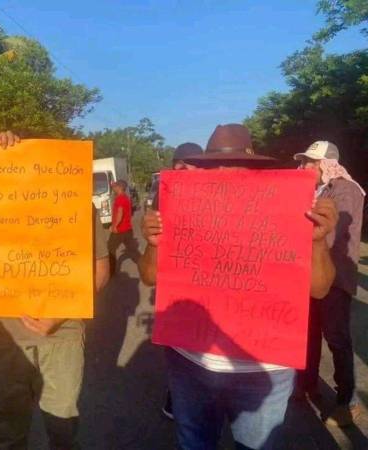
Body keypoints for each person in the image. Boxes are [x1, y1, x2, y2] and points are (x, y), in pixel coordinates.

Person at [138, 124, 338, 449]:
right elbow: (149, 276)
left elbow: (319, 289)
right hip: (190, 363)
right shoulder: (180, 206)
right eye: (213, 165)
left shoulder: (292, 209)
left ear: (255, 166)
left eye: (233, 165)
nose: (224, 172)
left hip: (263, 371)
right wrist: (153, 243)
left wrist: (318, 244)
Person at [0, 131, 111, 449]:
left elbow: (100, 271)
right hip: (4, 336)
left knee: (62, 427)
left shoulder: (76, 203)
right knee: (8, 428)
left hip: (61, 336)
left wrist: (61, 315)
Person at [294, 141, 365, 426]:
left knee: (336, 339)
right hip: (312, 273)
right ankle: (307, 385)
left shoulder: (345, 189)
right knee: (308, 333)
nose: (304, 167)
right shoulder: (318, 189)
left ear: (326, 163)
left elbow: (334, 233)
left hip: (334, 276)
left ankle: (349, 402)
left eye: (311, 163)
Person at [160, 141, 203, 420]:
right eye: (179, 164)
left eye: (192, 164)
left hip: (214, 289)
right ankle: (176, 399)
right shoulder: (165, 196)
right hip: (179, 291)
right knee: (184, 353)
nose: (184, 168)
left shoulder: (224, 196)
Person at [108, 179, 140, 275]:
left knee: (110, 248)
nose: (113, 188)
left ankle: (111, 271)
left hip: (120, 230)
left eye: (115, 186)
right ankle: (144, 265)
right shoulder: (125, 197)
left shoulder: (120, 198)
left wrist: (114, 226)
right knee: (133, 252)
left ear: (120, 187)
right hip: (127, 229)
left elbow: (120, 213)